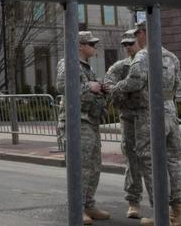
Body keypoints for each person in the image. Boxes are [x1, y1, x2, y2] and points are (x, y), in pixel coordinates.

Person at [112, 22, 181, 226]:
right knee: (173, 160)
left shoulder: (143, 56)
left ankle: (162, 212)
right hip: (170, 111)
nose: (135, 38)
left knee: (149, 160)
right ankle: (179, 212)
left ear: (143, 33)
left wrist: (116, 88)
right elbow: (177, 84)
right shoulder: (171, 56)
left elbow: (135, 82)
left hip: (149, 112)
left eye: (137, 33)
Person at [57, 31, 111, 225]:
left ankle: (89, 204)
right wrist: (90, 87)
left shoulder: (86, 67)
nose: (94, 47)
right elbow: (63, 87)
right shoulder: (68, 63)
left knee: (94, 165)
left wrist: (98, 88)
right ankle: (77, 208)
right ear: (80, 45)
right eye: (90, 43)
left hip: (90, 120)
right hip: (76, 121)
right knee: (81, 166)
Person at [104, 29, 147, 219]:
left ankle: (172, 204)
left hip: (147, 115)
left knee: (155, 159)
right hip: (128, 116)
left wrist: (125, 89)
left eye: (131, 43)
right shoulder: (120, 67)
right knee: (131, 158)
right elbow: (108, 85)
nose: (128, 47)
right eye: (125, 45)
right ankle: (133, 201)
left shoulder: (149, 62)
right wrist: (124, 92)